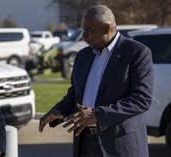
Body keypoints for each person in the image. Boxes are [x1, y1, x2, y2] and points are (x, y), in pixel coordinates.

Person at [39, 5, 154, 157]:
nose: (84, 36)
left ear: (106, 28)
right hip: (86, 143)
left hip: (121, 144)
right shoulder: (82, 56)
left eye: (88, 31)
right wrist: (59, 110)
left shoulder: (137, 53)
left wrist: (97, 115)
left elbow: (141, 99)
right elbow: (74, 94)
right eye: (82, 30)